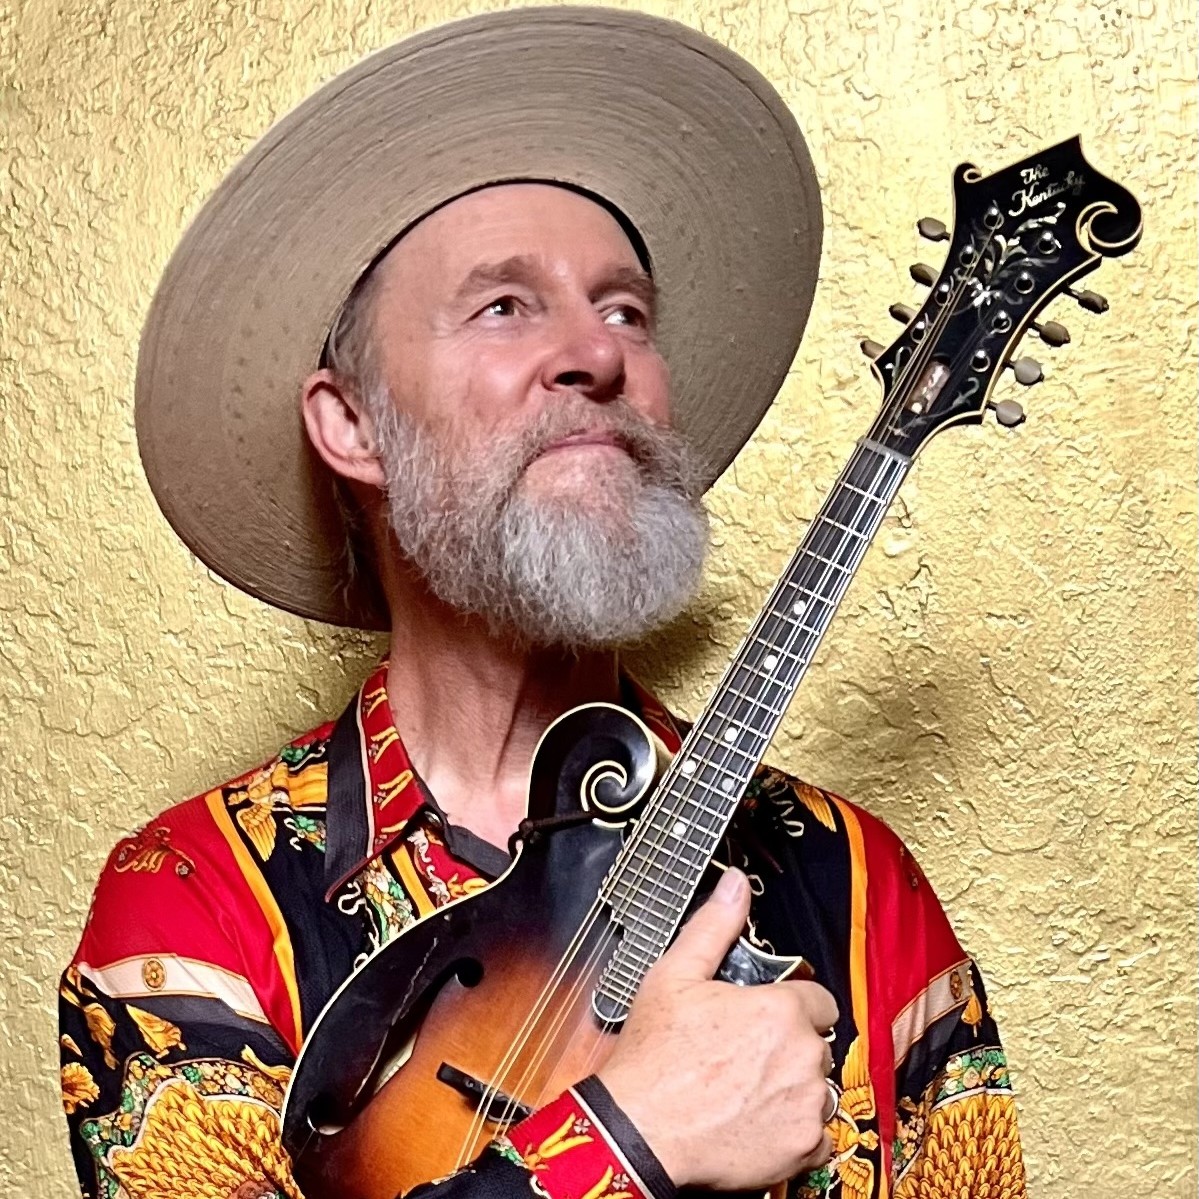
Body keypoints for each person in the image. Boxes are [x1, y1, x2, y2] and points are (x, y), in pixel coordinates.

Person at [58, 10, 1027, 1199]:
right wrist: (624, 1139)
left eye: (625, 310)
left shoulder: (858, 882)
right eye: (505, 306)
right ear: (350, 424)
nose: (596, 354)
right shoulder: (194, 898)